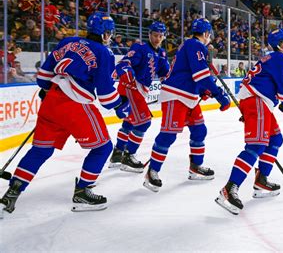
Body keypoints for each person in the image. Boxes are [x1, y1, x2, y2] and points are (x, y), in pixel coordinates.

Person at [0, 12, 130, 216]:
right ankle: (82, 192)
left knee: (40, 151)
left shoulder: (68, 41)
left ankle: (11, 194)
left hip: (51, 102)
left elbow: (43, 76)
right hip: (75, 106)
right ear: (105, 33)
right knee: (103, 148)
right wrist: (121, 106)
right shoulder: (104, 53)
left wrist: (46, 90)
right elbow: (105, 96)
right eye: (109, 33)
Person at [143, 18, 231, 192]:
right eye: (209, 35)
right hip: (176, 95)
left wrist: (202, 90)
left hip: (187, 95)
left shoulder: (192, 46)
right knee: (168, 135)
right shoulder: (195, 45)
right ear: (206, 34)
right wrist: (219, 94)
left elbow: (193, 74)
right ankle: (152, 171)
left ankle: (195, 167)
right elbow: (200, 75)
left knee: (199, 130)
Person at [215, 28, 283, 215]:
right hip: (257, 100)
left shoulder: (270, 58)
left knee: (275, 139)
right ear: (282, 45)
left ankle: (261, 181)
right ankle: (229, 189)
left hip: (257, 101)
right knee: (256, 144)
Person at [109, 21, 170, 173]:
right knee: (144, 122)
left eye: (160, 36)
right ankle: (129, 156)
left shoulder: (161, 53)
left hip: (140, 90)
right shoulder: (140, 48)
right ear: (149, 34)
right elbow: (124, 63)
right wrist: (126, 69)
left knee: (129, 123)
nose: (157, 38)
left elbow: (165, 75)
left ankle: (117, 153)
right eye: (155, 35)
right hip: (131, 87)